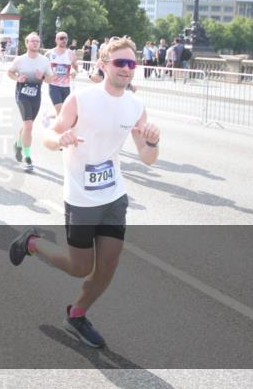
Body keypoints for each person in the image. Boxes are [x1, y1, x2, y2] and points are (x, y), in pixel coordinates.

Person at [9, 36, 161, 349]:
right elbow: (49, 135)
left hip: (113, 196)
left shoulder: (136, 106)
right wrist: (59, 140)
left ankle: (77, 314)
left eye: (131, 63)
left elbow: (147, 158)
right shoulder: (83, 99)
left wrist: (153, 141)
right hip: (80, 197)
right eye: (120, 63)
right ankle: (33, 243)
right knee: (80, 268)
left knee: (108, 267)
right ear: (104, 66)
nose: (126, 69)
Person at [7, 32, 51, 173]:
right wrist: (17, 79)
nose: (35, 43)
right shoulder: (20, 60)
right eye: (32, 41)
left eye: (37, 41)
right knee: (29, 125)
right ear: (26, 43)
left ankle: (18, 145)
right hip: (22, 95)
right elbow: (10, 72)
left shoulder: (44, 61)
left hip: (36, 96)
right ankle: (28, 158)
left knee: (27, 126)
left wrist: (42, 77)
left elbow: (51, 79)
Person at [45, 31, 78, 127]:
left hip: (66, 87)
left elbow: (76, 67)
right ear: (56, 40)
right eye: (61, 38)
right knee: (61, 113)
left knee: (64, 112)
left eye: (65, 38)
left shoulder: (71, 54)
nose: (64, 40)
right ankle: (58, 134)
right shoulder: (49, 54)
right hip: (54, 86)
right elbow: (43, 67)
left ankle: (48, 116)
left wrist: (73, 71)